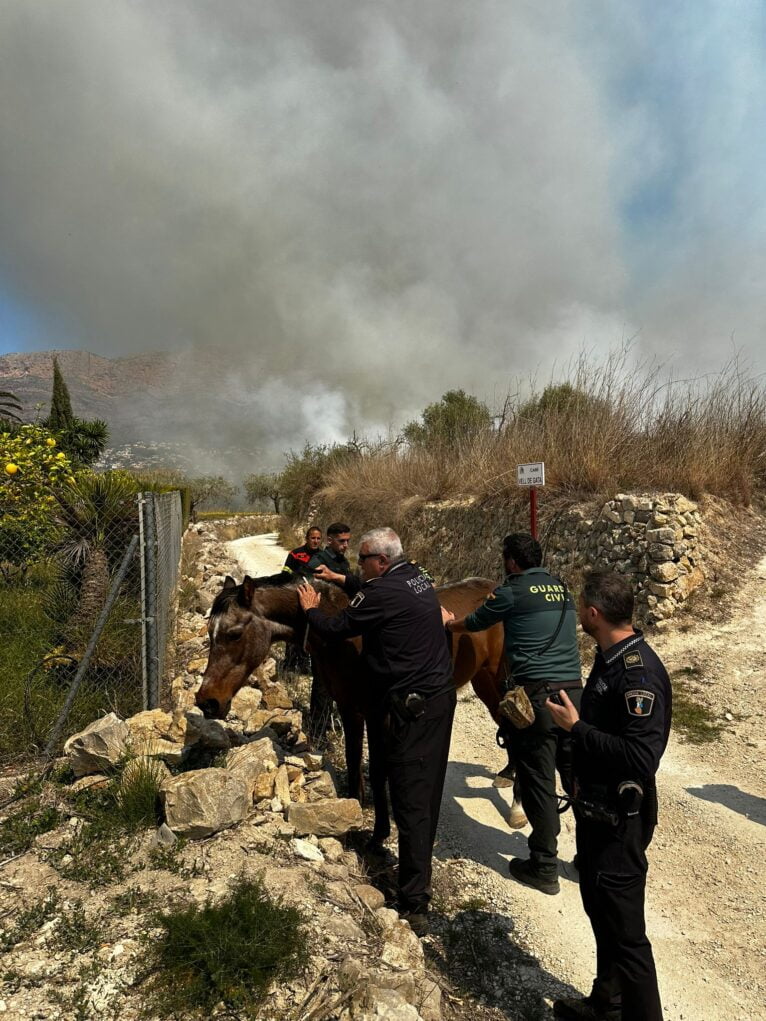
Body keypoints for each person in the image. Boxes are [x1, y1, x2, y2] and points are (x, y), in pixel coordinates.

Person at [297, 526, 455, 935]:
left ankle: (415, 905)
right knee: (426, 793)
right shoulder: (416, 577)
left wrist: (312, 609)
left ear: (380, 562)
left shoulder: (380, 592)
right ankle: (416, 873)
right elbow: (373, 593)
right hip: (439, 700)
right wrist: (342, 580)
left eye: (363, 560)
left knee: (410, 801)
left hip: (413, 709)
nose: (358, 565)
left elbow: (337, 628)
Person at [546, 569, 671, 1021]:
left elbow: (640, 758)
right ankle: (607, 1003)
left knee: (627, 936)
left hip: (621, 820)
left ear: (593, 613)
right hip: (596, 813)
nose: (579, 612)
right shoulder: (611, 655)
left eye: (582, 606)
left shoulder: (639, 673)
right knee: (601, 912)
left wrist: (576, 728)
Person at [443, 532, 581, 895]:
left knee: (538, 780)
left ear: (511, 562)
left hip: (537, 698)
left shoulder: (511, 591)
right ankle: (590, 856)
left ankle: (544, 866)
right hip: (574, 694)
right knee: (574, 775)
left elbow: (474, 622)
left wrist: (449, 624)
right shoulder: (561, 589)